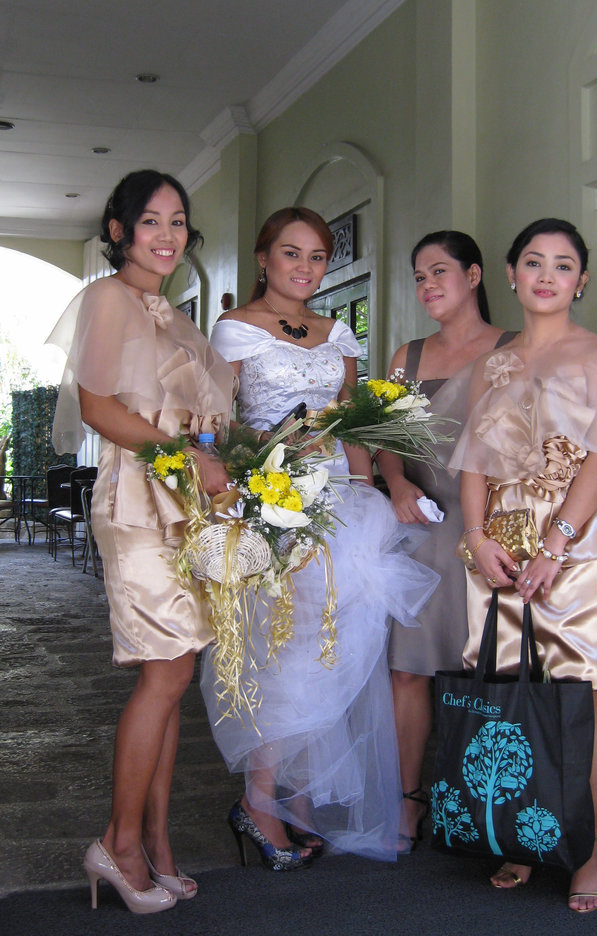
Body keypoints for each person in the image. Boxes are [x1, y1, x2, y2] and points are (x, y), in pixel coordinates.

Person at [450, 218, 597, 913]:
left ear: (581, 281)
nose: (547, 275)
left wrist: (555, 548)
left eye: (563, 265)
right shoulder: (492, 364)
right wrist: (475, 538)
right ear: (511, 274)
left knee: (577, 689)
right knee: (508, 681)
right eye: (533, 261)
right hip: (498, 538)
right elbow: (473, 460)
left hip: (574, 540)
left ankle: (586, 847)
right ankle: (524, 834)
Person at [200, 207, 438, 868]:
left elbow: (352, 426)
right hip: (274, 499)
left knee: (332, 647)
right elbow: (220, 425)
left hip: (340, 503)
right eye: (291, 253)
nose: (305, 268)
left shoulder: (338, 333)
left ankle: (299, 798)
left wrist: (365, 493)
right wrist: (267, 459)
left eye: (316, 257)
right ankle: (259, 798)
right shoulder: (234, 330)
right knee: (282, 647)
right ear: (263, 258)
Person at [49, 170, 234, 913]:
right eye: (151, 220)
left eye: (178, 221)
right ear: (119, 230)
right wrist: (187, 455)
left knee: (176, 673)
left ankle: (155, 841)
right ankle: (118, 844)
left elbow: (207, 421)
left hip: (187, 503)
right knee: (162, 672)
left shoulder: (179, 317)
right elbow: (98, 408)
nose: (167, 234)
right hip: (135, 498)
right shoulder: (107, 298)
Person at [377, 231, 514, 847]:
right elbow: (385, 441)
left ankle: (483, 809)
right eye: (418, 276)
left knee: (488, 671)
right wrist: (397, 483)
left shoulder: (514, 350)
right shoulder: (406, 358)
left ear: (474, 276)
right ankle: (409, 802)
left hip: (493, 531)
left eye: (439, 271)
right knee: (408, 668)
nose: (427, 284)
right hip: (423, 524)